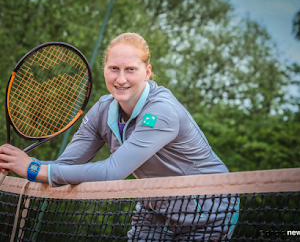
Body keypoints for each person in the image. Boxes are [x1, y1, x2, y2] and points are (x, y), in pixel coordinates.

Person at [0, 33, 239, 241]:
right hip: (155, 210)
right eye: (114, 68)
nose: (121, 79)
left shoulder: (162, 111)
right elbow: (64, 167)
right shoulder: (101, 111)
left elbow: (111, 172)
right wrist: (16, 164)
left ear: (147, 73)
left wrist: (32, 169)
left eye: (130, 70)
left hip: (209, 211)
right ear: (104, 69)